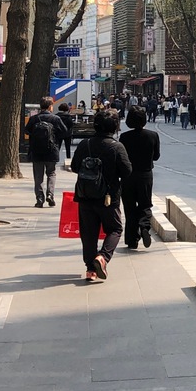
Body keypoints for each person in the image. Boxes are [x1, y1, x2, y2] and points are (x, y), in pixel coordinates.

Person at [70, 110, 132, 281]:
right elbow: (127, 171)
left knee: (88, 234)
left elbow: (75, 167)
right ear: (115, 126)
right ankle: (103, 257)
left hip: (85, 195)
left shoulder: (85, 144)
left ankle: (90, 270)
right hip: (108, 197)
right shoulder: (116, 147)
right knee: (115, 229)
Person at [118, 106, 160, 250]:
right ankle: (144, 226)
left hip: (128, 176)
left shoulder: (124, 137)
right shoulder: (153, 135)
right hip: (145, 174)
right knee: (145, 204)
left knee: (129, 207)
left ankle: (132, 240)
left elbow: (121, 158)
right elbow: (156, 156)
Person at [25, 96, 70, 207]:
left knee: (38, 176)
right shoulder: (55, 119)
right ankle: (50, 194)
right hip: (51, 151)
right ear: (50, 106)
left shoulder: (34, 119)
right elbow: (65, 132)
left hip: (37, 151)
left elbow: (27, 130)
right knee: (51, 173)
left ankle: (39, 199)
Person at [55, 102, 76, 167]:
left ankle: (55, 160)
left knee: (57, 147)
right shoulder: (68, 116)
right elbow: (71, 124)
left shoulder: (56, 116)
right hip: (67, 134)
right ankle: (68, 159)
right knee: (68, 148)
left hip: (59, 133)